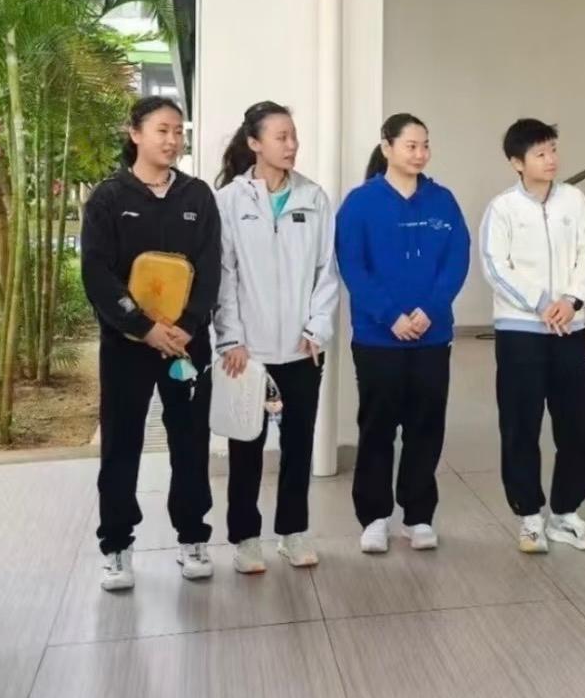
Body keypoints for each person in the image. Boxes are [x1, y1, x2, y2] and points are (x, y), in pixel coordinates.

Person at [81, 96, 220, 591]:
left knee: (190, 441)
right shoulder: (108, 198)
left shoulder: (197, 196)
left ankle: (193, 536)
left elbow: (210, 267)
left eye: (179, 131)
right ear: (135, 133)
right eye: (162, 129)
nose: (172, 140)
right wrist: (144, 327)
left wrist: (188, 325)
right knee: (122, 444)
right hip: (127, 343)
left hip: (186, 343)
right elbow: (97, 274)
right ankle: (117, 545)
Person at [213, 101, 340, 574]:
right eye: (281, 137)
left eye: (293, 136)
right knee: (246, 447)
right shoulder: (230, 200)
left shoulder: (313, 197)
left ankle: (293, 532)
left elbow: (328, 270)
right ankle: (246, 539)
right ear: (254, 143)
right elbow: (223, 275)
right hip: (247, 352)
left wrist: (317, 327)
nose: (291, 145)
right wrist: (231, 340)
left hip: (302, 349)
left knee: (299, 445)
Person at [336, 114, 470, 553]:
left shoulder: (442, 201)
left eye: (425, 145)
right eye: (411, 145)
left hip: (432, 336)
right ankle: (374, 517)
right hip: (378, 339)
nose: (420, 154)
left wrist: (431, 310)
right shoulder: (360, 203)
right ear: (387, 147)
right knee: (377, 427)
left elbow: (457, 260)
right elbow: (353, 266)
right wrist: (390, 316)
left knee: (425, 426)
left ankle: (418, 515)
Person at [480, 119, 585, 553]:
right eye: (540, 153)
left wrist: (571, 300)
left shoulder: (574, 199)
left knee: (578, 425)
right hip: (521, 333)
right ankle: (530, 516)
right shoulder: (502, 208)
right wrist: (541, 303)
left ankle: (566, 513)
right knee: (520, 425)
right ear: (517, 162)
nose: (551, 159)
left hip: (570, 328)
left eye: (553, 149)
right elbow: (495, 266)